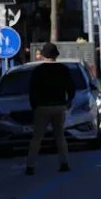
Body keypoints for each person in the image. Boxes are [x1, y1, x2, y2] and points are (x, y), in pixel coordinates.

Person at [25, 42, 73, 176]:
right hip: (59, 106)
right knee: (60, 136)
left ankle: (30, 165)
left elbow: (32, 91)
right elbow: (71, 88)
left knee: (37, 137)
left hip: (42, 107)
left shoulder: (38, 71)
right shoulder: (63, 69)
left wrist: (34, 106)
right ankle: (64, 163)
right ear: (56, 55)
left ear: (44, 56)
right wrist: (68, 101)